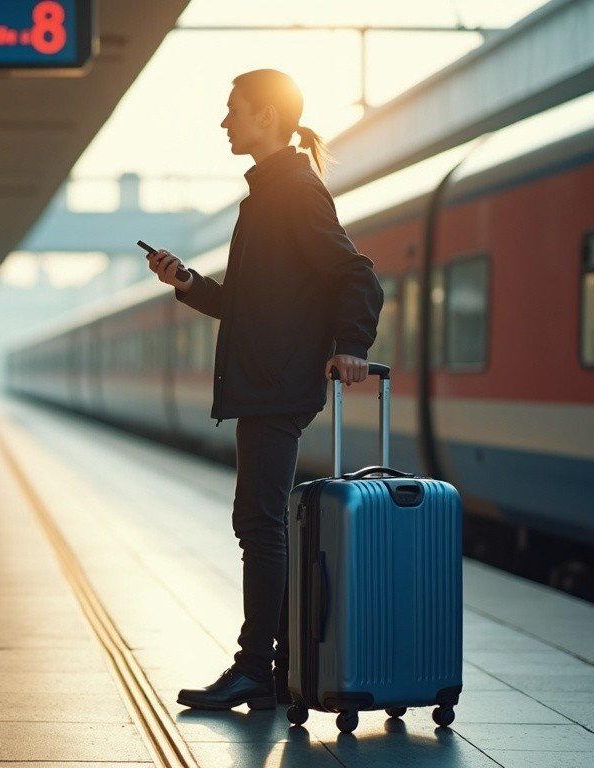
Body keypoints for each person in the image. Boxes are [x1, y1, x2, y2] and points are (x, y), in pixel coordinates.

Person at [148, 69, 383, 711]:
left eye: (234, 110)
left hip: (277, 387)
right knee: (258, 521)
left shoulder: (293, 191)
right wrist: (187, 282)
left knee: (259, 523)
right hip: (264, 382)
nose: (225, 122)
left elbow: (357, 274)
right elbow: (246, 306)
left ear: (266, 117)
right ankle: (269, 668)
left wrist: (351, 347)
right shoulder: (266, 195)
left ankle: (260, 667)